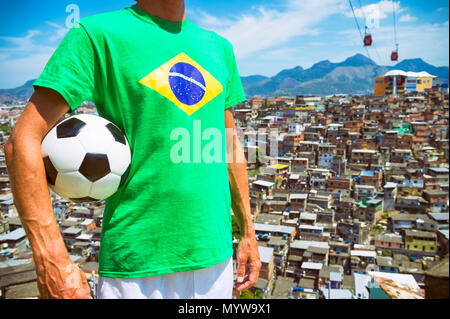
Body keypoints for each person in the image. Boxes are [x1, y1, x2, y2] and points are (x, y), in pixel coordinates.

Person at [4, 0, 261, 299]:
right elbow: (22, 141)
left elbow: (228, 145)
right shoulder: (95, 34)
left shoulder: (219, 47)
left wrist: (248, 232)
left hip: (215, 259)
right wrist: (51, 260)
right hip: (136, 263)